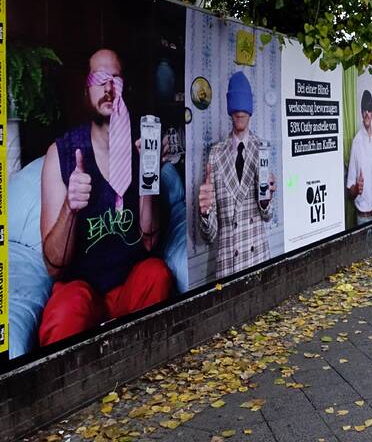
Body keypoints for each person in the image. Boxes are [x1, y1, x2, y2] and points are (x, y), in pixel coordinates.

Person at [38, 49, 173, 347]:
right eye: (100, 79)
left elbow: (150, 242)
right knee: (65, 311)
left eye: (116, 79)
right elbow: (53, 266)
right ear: (86, 91)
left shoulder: (142, 144)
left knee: (157, 274)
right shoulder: (60, 153)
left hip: (128, 288)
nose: (109, 88)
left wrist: (148, 177)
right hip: (80, 289)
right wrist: (70, 208)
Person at [198, 71, 277, 277]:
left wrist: (267, 201)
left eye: (244, 104)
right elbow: (210, 236)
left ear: (251, 109)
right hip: (228, 265)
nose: (240, 111)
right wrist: (205, 213)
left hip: (258, 258)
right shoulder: (215, 155)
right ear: (228, 108)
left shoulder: (262, 150)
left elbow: (268, 217)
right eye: (235, 104)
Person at [347, 90, 372, 225]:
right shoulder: (357, 142)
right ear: (361, 113)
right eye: (364, 110)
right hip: (362, 217)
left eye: (369, 110)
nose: (367, 113)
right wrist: (357, 189)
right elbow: (349, 190)